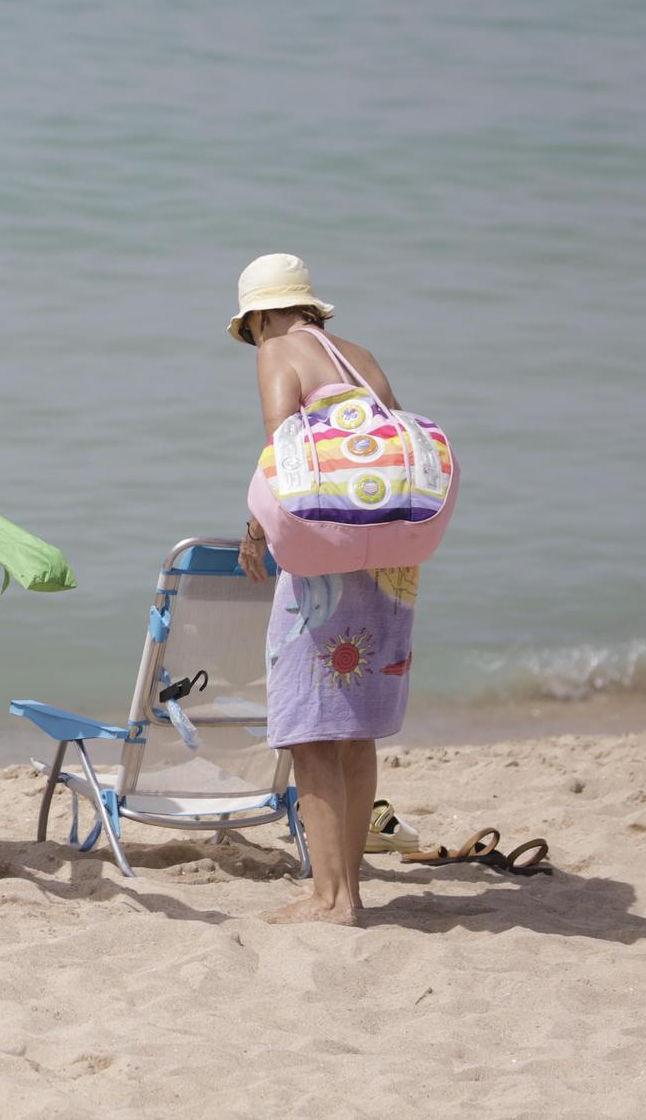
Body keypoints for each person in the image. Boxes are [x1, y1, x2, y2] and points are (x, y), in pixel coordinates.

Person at [230, 254, 420, 927]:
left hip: (327, 556)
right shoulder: (359, 355)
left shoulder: (278, 349)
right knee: (355, 729)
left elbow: (282, 450)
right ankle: (354, 891)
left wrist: (256, 529)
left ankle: (327, 897)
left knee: (311, 729)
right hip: (389, 556)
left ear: (257, 315)